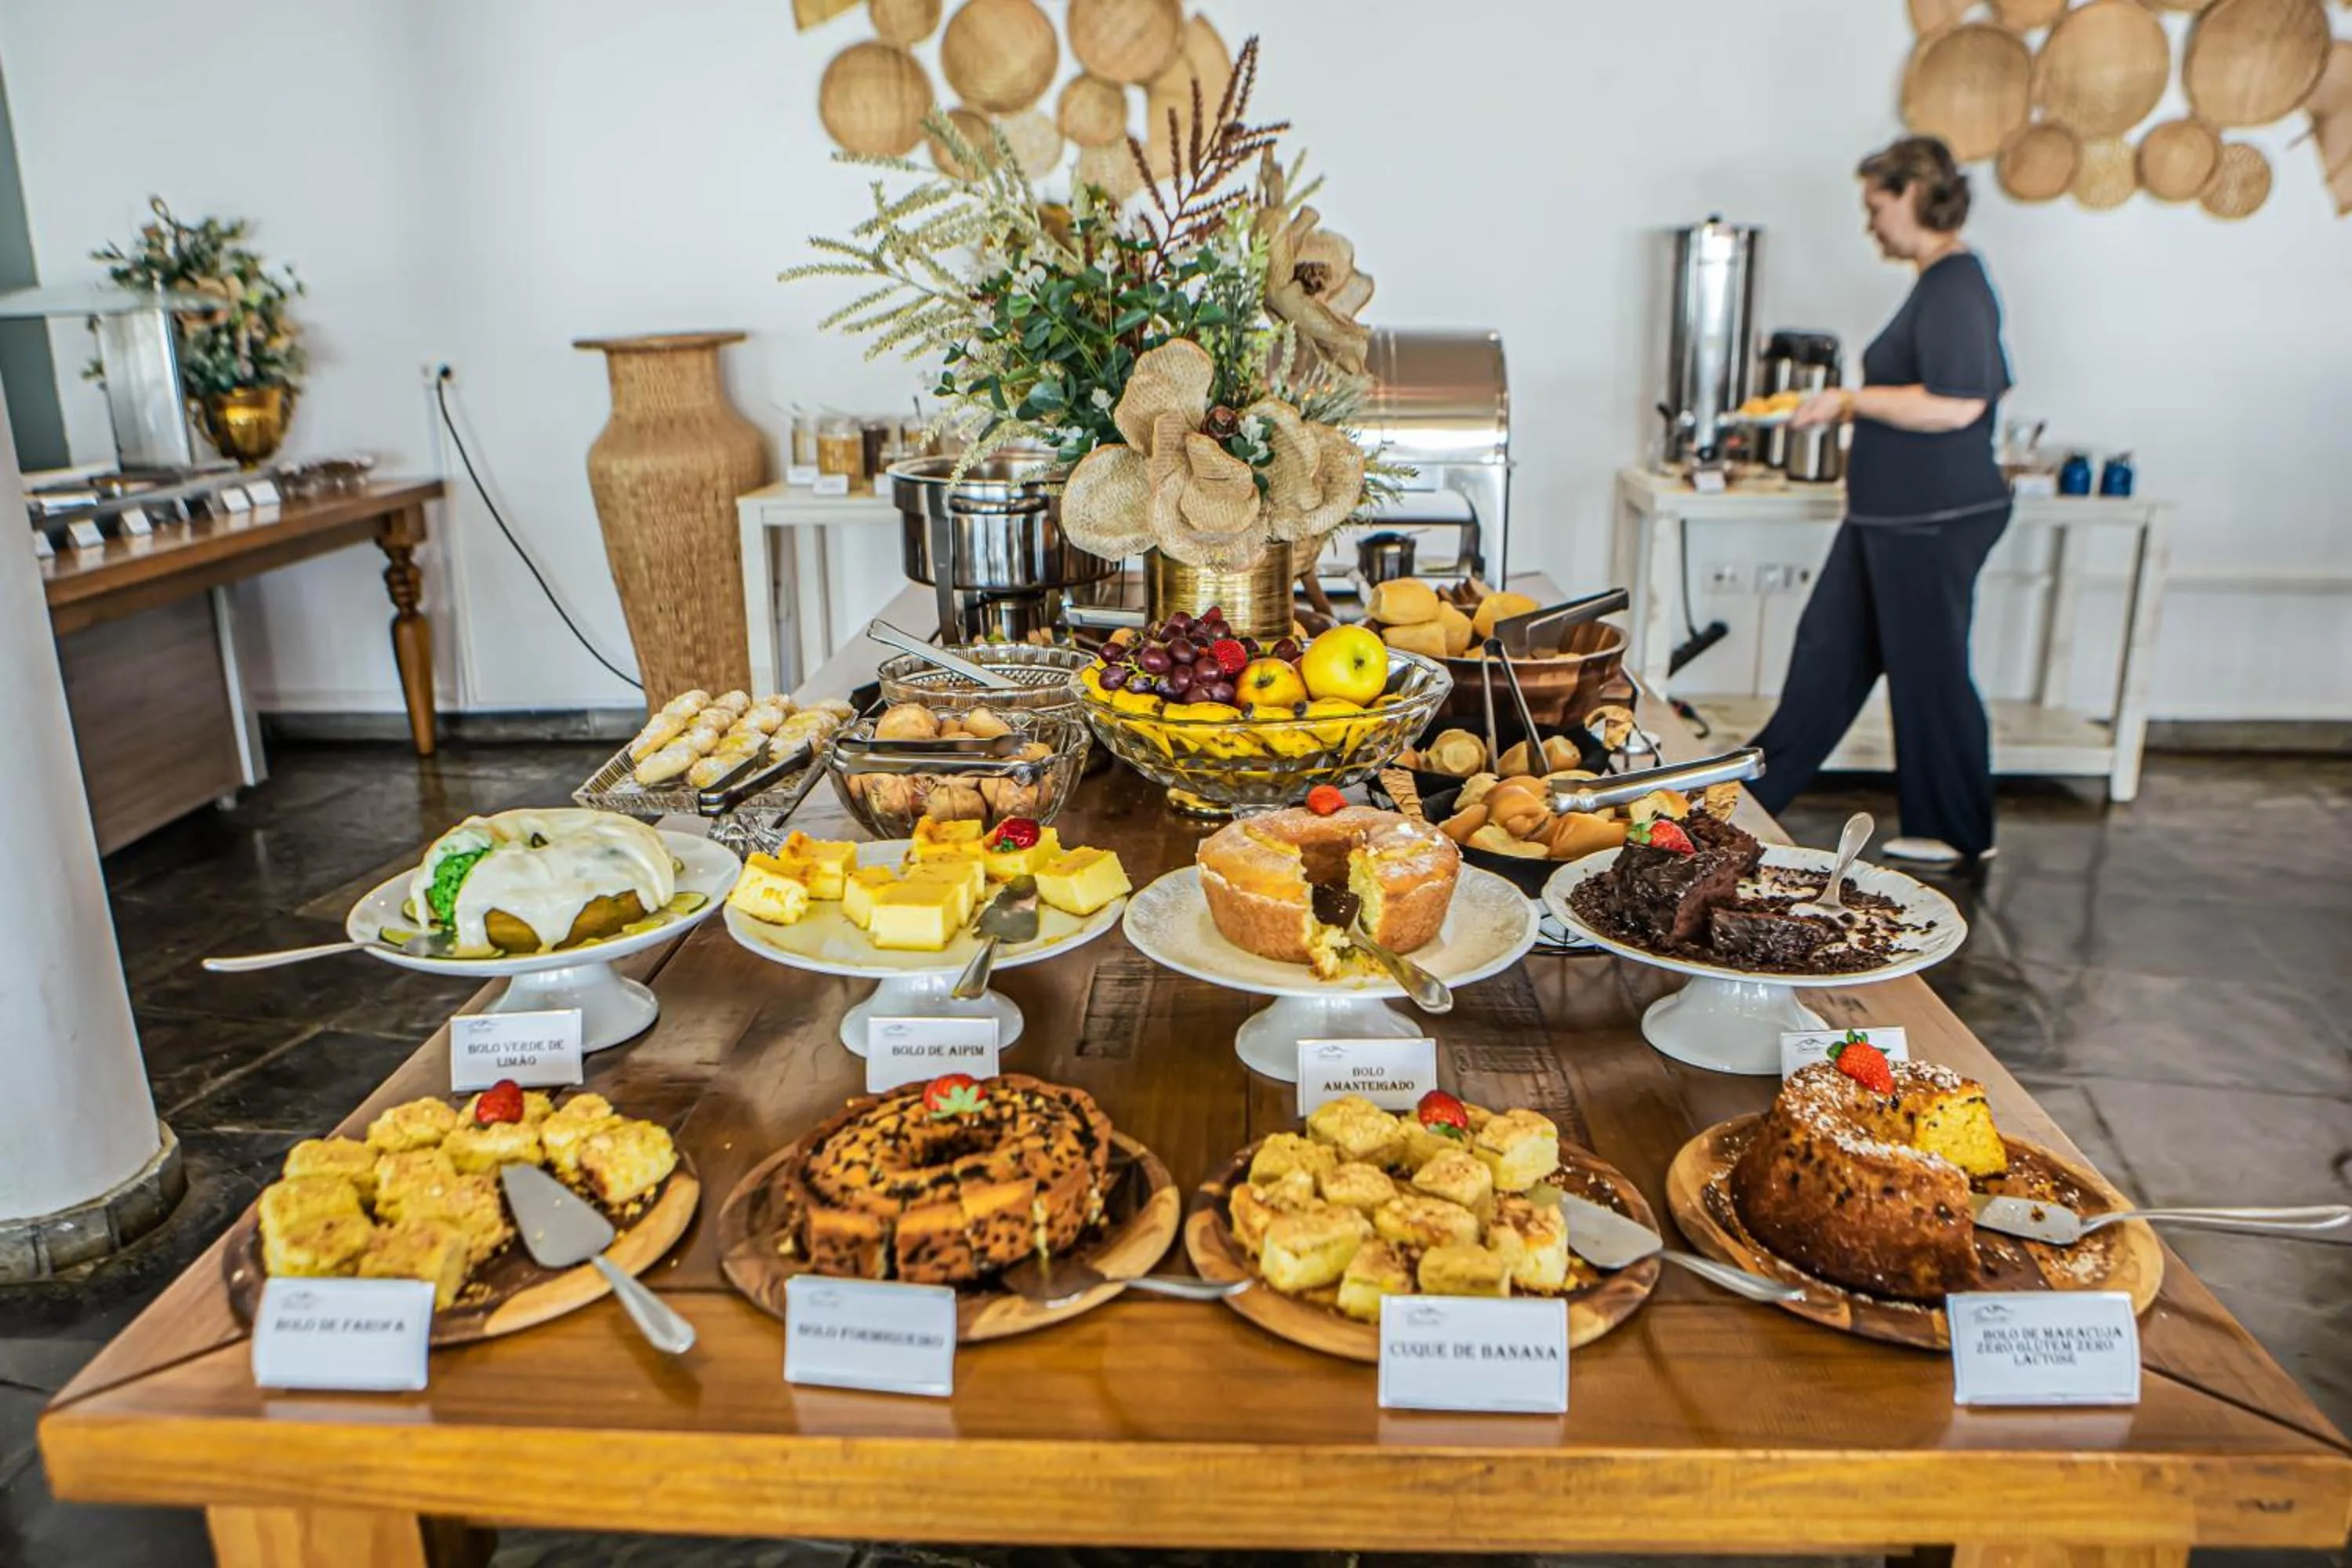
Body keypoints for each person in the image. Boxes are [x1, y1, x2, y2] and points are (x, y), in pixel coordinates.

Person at [1747, 134, 2014, 867]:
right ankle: (1745, 801)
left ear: (1917, 195)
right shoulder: (1937, 285)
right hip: (1889, 517)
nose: (1871, 223)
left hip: (1932, 517)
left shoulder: (1957, 283)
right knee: (1827, 658)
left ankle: (1959, 831)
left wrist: (1848, 400)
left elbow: (1959, 403)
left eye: (1877, 204)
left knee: (1930, 670)